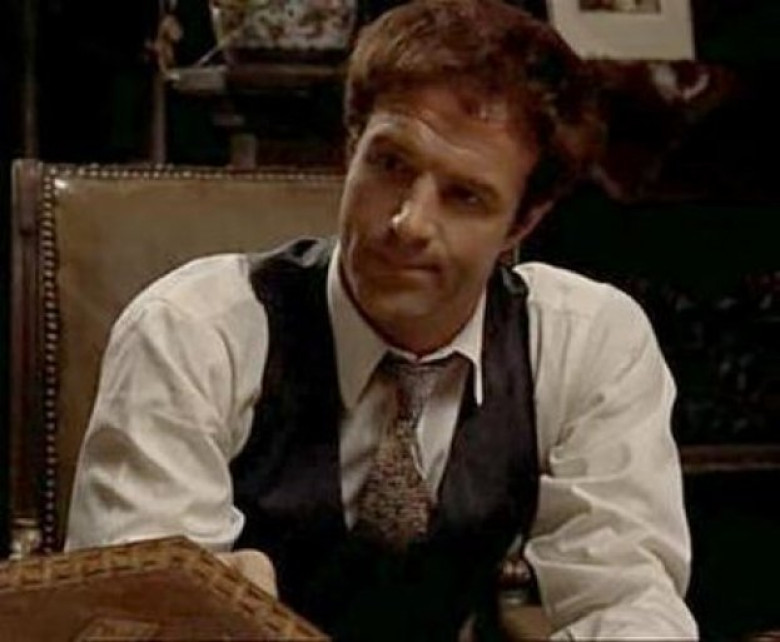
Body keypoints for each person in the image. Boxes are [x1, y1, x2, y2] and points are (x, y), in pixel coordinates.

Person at [66, 0, 698, 639]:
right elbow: (143, 621)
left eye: (464, 196)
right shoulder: (196, 333)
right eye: (391, 164)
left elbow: (628, 603)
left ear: (522, 223)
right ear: (351, 148)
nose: (408, 223)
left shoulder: (583, 342)